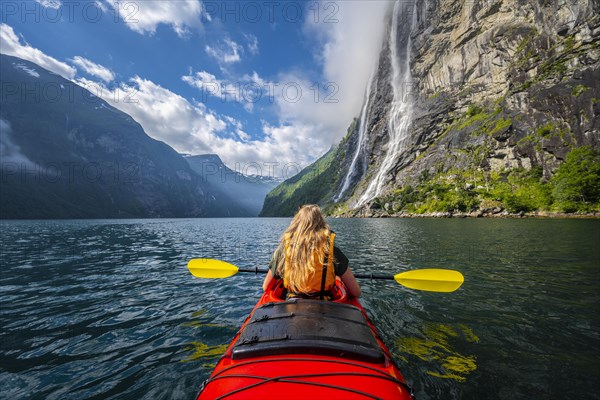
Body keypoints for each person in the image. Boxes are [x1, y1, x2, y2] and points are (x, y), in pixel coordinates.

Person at [262, 204, 362, 299]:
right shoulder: (332, 251)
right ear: (321, 224)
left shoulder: (284, 250)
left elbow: (266, 287)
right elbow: (356, 292)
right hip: (325, 306)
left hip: (292, 304)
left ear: (296, 224)